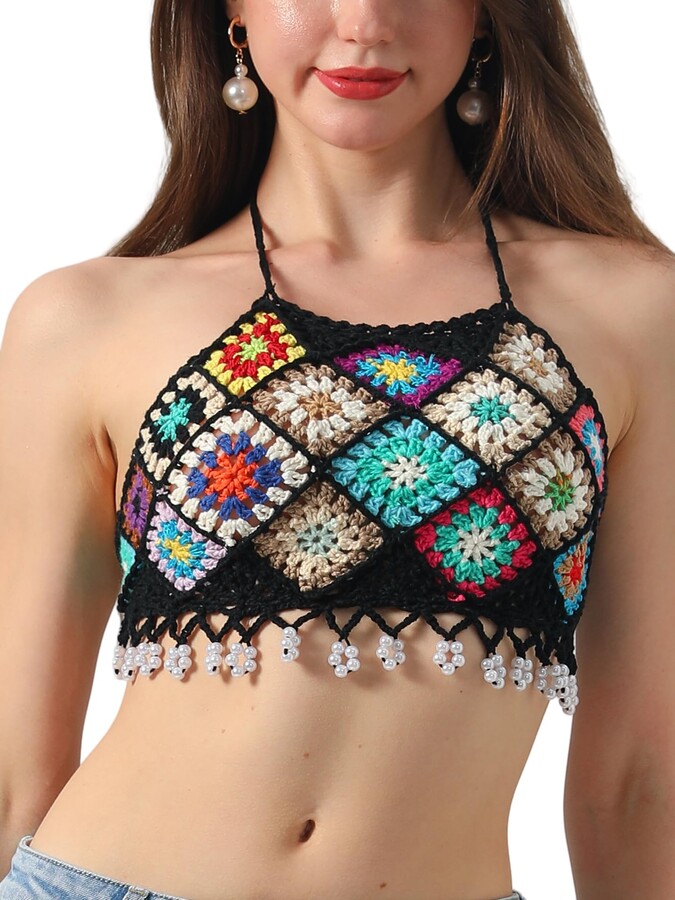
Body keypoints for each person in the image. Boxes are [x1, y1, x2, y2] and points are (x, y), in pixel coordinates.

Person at [1, 1, 673, 898]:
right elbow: (14, 770)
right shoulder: (83, 319)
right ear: (232, 13)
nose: (363, 22)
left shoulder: (636, 311)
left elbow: (640, 781)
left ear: (485, 17)